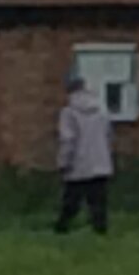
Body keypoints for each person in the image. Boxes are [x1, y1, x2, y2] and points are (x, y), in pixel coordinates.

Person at [54, 71, 115, 236]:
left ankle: (61, 229)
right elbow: (108, 133)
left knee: (71, 201)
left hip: (78, 166)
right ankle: (101, 231)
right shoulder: (101, 109)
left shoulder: (68, 113)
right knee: (98, 201)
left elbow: (68, 140)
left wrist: (63, 162)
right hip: (101, 162)